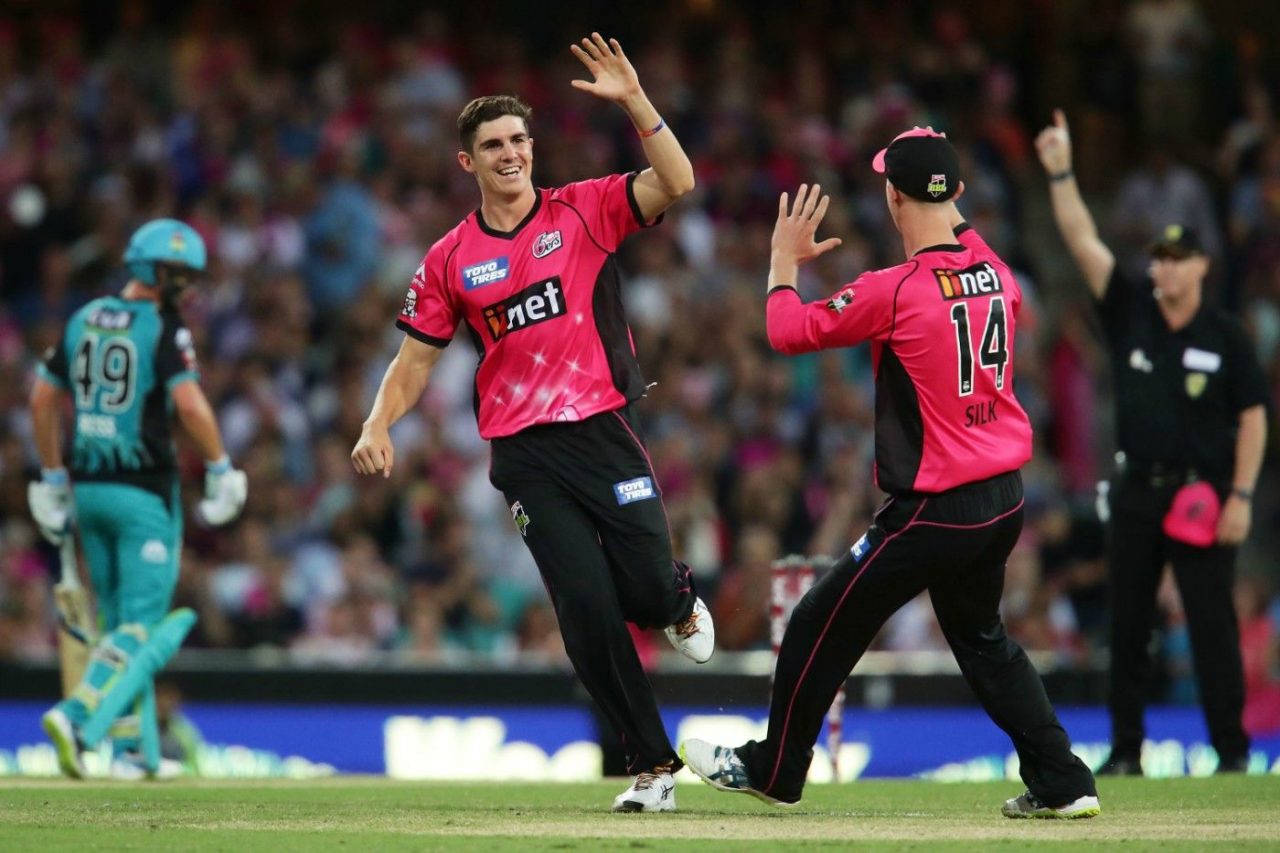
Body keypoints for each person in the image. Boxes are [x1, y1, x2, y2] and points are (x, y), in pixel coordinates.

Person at [681, 128, 1100, 819]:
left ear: (890, 195)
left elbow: (789, 331)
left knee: (818, 618)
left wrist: (783, 261)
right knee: (982, 638)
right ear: (958, 193)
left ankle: (775, 767)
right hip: (1004, 500)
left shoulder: (896, 289)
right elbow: (956, 223)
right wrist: (937, 159)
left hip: (938, 508)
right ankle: (1062, 779)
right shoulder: (997, 269)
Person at [350, 33, 712, 813]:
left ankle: (676, 599)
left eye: (518, 139)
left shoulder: (584, 209)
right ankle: (651, 766)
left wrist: (634, 100)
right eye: (492, 144)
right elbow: (414, 361)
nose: (509, 152)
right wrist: (378, 423)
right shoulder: (450, 258)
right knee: (582, 607)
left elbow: (677, 180)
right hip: (524, 454)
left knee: (646, 588)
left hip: (603, 432)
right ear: (467, 163)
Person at [1035, 109, 1269, 776]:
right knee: (1129, 622)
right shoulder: (1130, 308)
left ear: (1200, 265)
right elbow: (1083, 241)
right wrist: (1059, 172)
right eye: (1157, 258)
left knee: (1211, 625)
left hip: (1204, 491)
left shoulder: (1225, 335)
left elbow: (1254, 416)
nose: (1161, 268)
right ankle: (1127, 749)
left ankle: (1232, 750)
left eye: (1174, 258)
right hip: (1137, 489)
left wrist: (1243, 494)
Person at [30, 218, 248, 780]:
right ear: (152, 269)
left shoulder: (82, 318)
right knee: (142, 628)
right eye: (179, 273)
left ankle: (135, 754)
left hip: (87, 489)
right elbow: (191, 405)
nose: (187, 285)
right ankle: (79, 716)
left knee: (117, 628)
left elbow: (42, 399)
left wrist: (52, 477)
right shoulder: (162, 326)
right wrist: (222, 466)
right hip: (144, 492)